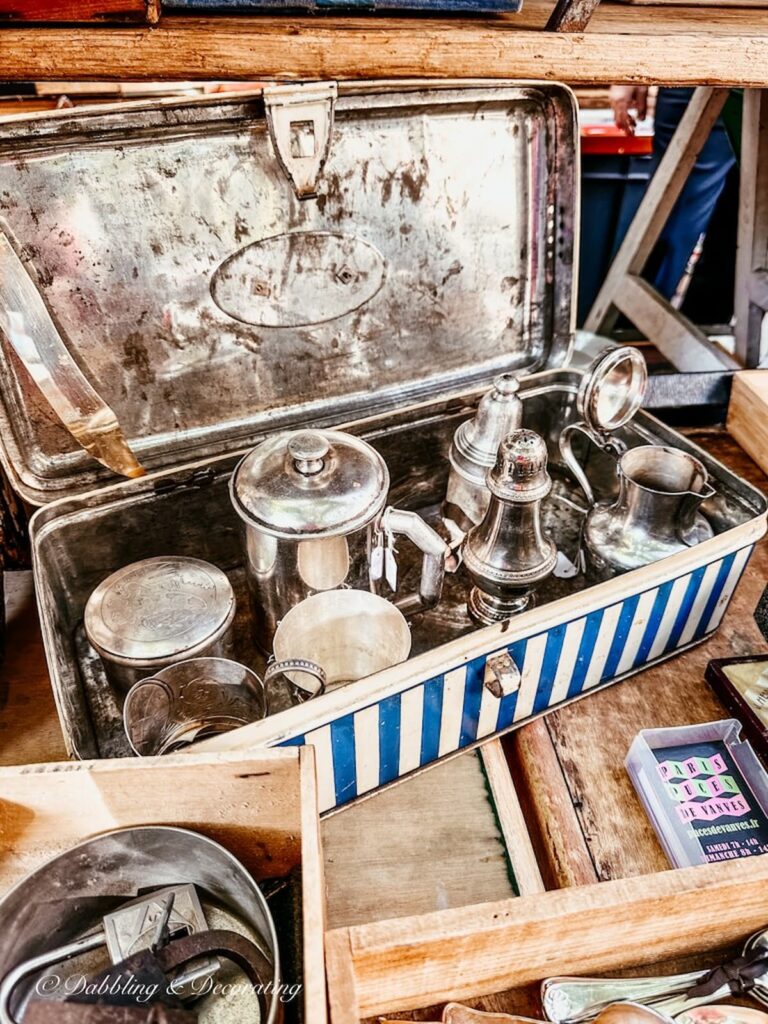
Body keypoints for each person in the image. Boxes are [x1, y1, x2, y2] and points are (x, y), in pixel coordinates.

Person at [609, 85, 737, 303]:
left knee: (674, 210)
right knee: (738, 213)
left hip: (711, 73)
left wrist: (630, 74)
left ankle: (638, 321)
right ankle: (699, 324)